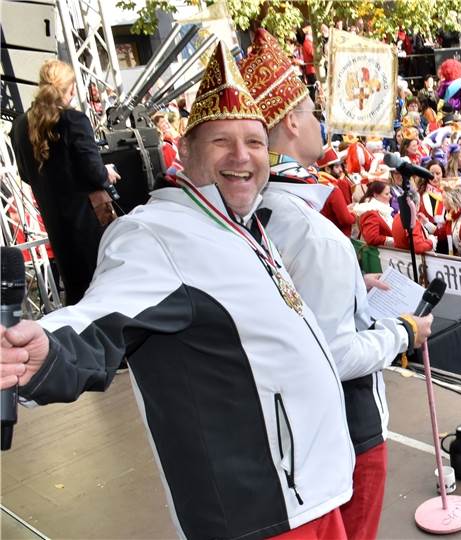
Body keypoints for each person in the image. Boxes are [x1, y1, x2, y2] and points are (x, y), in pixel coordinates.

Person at [1, 42, 385, 539]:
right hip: (262, 517)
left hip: (309, 493)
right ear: (184, 151)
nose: (242, 156)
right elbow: (103, 314)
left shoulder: (237, 222)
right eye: (221, 141)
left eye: (251, 140)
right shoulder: (158, 234)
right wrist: (47, 351)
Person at [240, 31, 432, 539]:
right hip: (348, 426)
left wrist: (354, 283)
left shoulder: (253, 211)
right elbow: (337, 353)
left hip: (291, 428)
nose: (319, 119)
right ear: (291, 123)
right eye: (310, 108)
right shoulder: (310, 229)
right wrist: (405, 332)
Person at [10, 59, 121, 305]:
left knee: (77, 294)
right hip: (88, 221)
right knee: (103, 287)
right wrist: (106, 173)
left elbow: (27, 174)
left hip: (56, 224)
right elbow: (93, 172)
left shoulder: (19, 127)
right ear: (69, 88)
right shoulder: (73, 120)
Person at [355, 181, 396, 247]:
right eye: (387, 194)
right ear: (375, 195)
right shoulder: (370, 212)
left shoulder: (380, 209)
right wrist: (394, 241)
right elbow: (372, 238)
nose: (390, 196)